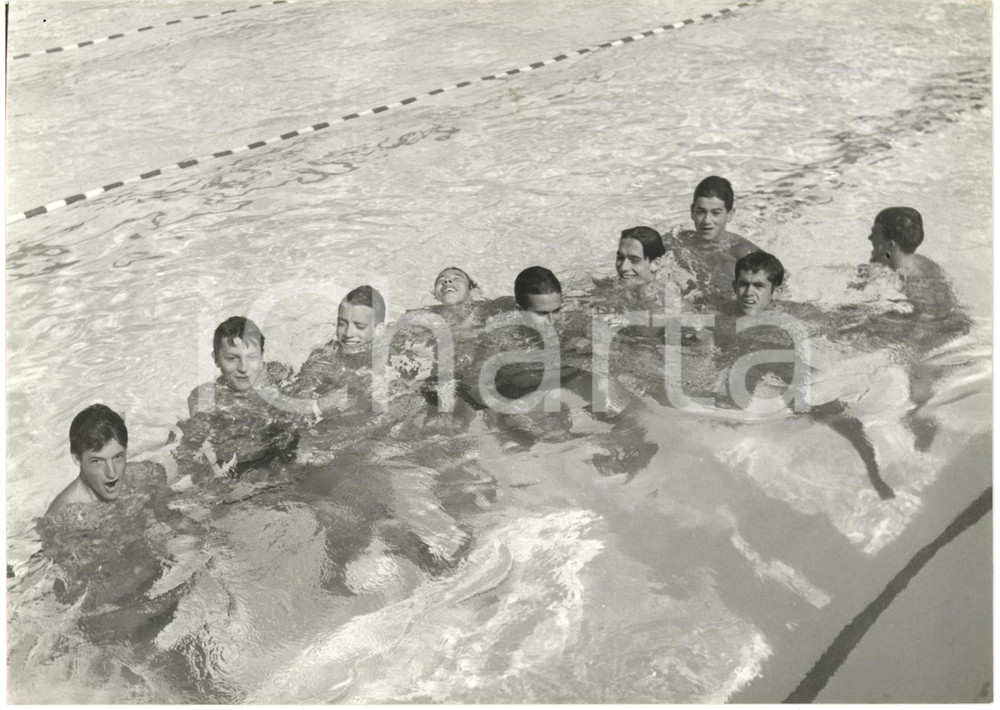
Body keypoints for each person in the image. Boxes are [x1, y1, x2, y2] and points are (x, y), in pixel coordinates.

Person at [178, 317, 300, 482]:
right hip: (233, 466)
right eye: (232, 358)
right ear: (216, 359)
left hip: (275, 453)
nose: (243, 368)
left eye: (251, 357)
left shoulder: (274, 376)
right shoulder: (206, 396)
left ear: (262, 355)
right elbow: (193, 440)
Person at [666, 176, 762, 306]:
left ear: (730, 214)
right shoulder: (677, 240)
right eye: (701, 212)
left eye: (715, 213)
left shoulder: (741, 251)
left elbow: (778, 281)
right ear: (692, 212)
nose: (706, 221)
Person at [293, 285, 386, 412]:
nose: (348, 333)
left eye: (359, 326)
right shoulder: (325, 356)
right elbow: (298, 400)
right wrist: (321, 404)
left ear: (379, 330)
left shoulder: (388, 360)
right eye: (342, 324)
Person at [864, 206, 957, 320]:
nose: (870, 238)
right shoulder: (921, 261)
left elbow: (931, 322)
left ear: (890, 245)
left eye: (875, 234)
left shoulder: (915, 284)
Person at [46, 404, 130, 514]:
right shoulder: (64, 513)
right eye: (97, 461)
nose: (112, 473)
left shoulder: (143, 476)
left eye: (117, 457)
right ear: (77, 459)